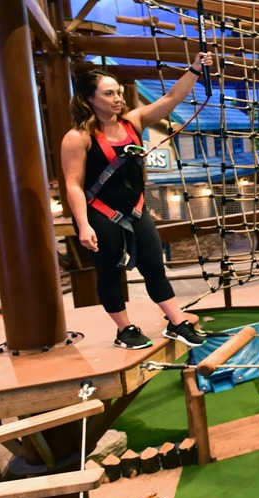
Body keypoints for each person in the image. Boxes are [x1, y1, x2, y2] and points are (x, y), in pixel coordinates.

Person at [61, 54, 214, 350]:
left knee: (154, 266)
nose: (118, 99)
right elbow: (73, 185)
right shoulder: (78, 137)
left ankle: (176, 322)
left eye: (118, 92)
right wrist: (83, 225)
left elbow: (171, 98)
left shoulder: (133, 122)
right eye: (109, 94)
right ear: (89, 98)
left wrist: (195, 69)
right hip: (100, 213)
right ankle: (124, 330)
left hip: (136, 209)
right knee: (109, 272)